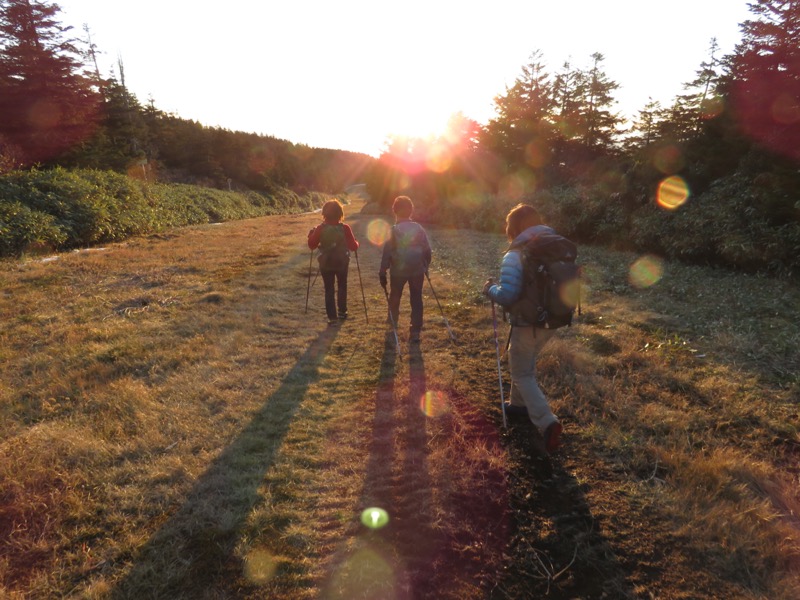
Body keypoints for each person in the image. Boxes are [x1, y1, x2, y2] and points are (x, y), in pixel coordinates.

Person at [483, 203, 563, 454]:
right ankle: (517, 405)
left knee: (521, 373)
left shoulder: (516, 253)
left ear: (514, 227)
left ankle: (547, 423)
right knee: (523, 363)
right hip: (553, 321)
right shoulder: (555, 246)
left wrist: (489, 290)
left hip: (528, 322)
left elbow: (508, 295)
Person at [379, 196, 432, 343]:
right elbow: (427, 251)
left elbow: (387, 253)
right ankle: (415, 328)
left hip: (398, 270)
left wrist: (382, 271)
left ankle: (392, 323)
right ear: (411, 211)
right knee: (416, 297)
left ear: (395, 211)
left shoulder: (393, 230)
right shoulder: (419, 228)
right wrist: (425, 265)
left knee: (395, 296)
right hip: (417, 270)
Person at [308, 199, 360, 325]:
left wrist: (311, 235)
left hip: (326, 262)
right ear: (340, 213)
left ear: (324, 213)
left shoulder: (320, 228)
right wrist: (357, 242)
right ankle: (342, 312)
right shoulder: (345, 228)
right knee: (342, 285)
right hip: (342, 261)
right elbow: (353, 247)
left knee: (329, 289)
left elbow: (312, 245)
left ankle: (332, 317)